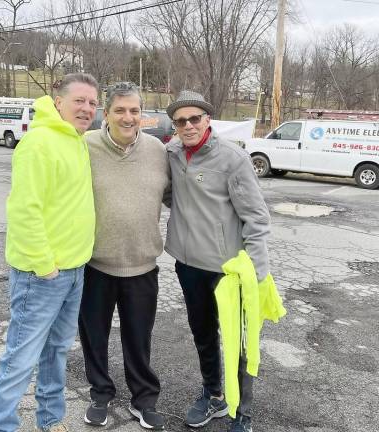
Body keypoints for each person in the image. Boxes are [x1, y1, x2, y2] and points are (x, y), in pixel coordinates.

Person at [0, 73, 99, 432]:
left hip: (75, 270)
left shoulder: (75, 140)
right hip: (42, 274)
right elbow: (24, 210)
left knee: (56, 352)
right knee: (21, 358)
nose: (87, 109)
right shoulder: (39, 142)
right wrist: (45, 266)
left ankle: (50, 419)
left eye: (93, 103)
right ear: (57, 101)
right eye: (79, 100)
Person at [165, 90, 271, 432]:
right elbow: (168, 193)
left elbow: (256, 217)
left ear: (208, 120)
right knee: (203, 334)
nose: (189, 125)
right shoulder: (171, 153)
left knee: (240, 343)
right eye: (181, 121)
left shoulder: (232, 159)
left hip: (228, 270)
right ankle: (213, 395)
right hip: (188, 264)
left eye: (195, 118)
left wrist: (255, 269)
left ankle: (243, 412)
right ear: (175, 126)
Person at [78, 82, 169, 430]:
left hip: (143, 265)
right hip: (95, 265)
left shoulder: (158, 151)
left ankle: (143, 400)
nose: (128, 117)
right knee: (93, 335)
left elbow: (177, 197)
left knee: (138, 337)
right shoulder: (85, 146)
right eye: (120, 110)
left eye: (134, 110)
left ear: (141, 114)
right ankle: (100, 393)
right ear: (107, 112)